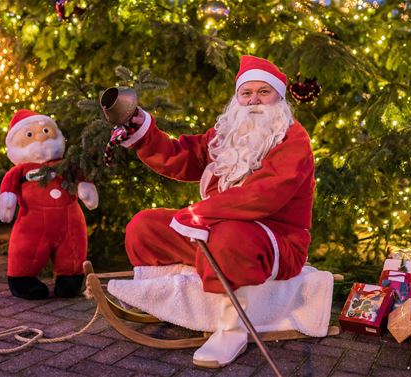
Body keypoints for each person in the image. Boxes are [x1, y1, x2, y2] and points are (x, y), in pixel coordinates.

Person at [118, 55, 315, 367]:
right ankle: (163, 301)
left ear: (279, 96)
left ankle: (231, 328)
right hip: (214, 229)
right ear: (237, 98)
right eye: (246, 93)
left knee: (229, 236)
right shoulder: (226, 133)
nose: (254, 100)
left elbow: (264, 195)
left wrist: (200, 212)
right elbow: (181, 156)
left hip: (276, 242)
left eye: (264, 92)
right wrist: (144, 131)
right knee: (146, 226)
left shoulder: (293, 138)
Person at [0, 109, 99, 300]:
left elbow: (81, 178)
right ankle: (22, 280)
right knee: (26, 250)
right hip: (32, 224)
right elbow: (8, 189)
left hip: (70, 221)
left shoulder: (65, 165)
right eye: (30, 134)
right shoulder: (20, 171)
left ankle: (70, 280)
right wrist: (7, 203)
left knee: (73, 250)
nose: (40, 137)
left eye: (46, 131)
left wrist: (86, 189)